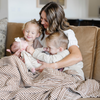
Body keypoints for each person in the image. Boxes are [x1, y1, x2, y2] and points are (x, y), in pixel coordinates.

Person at [29, 2, 83, 73]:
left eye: (46, 20)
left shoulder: (67, 34)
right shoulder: (39, 32)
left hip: (61, 70)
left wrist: (52, 66)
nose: (42, 22)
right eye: (41, 18)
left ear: (54, 21)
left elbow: (77, 56)